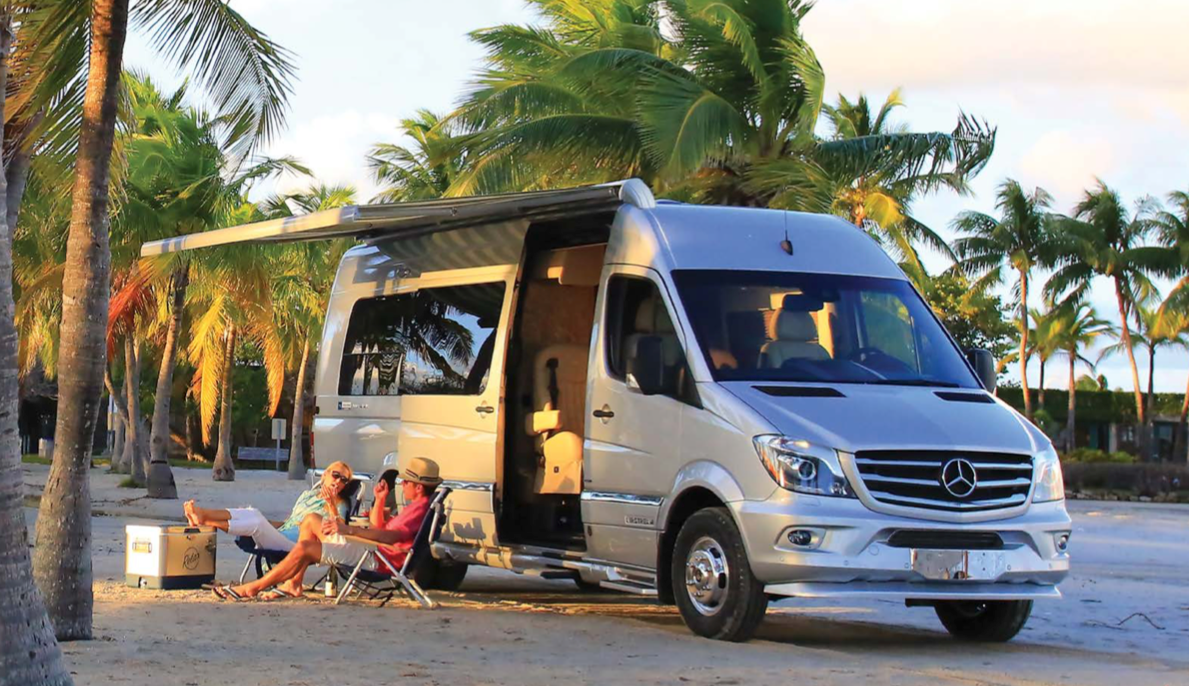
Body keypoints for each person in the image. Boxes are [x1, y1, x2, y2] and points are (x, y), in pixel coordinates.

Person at [214, 456, 441, 601]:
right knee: (312, 518)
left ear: (419, 487)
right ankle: (294, 583)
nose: (402, 485)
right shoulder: (416, 507)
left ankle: (253, 588)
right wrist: (380, 500)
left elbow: (387, 536)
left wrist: (348, 530)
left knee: (305, 547)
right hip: (374, 550)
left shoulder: (418, 510)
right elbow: (378, 528)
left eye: (406, 482)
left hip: (377, 558)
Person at [183, 461, 355, 553]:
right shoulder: (307, 496)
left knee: (256, 520)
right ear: (325, 475)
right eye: (336, 475)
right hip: (279, 536)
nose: (338, 481)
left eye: (344, 480)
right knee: (252, 513)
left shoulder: (341, 503)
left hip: (297, 546)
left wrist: (331, 504)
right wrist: (264, 522)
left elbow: (340, 531)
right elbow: (286, 523)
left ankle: (205, 518)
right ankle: (205, 517)